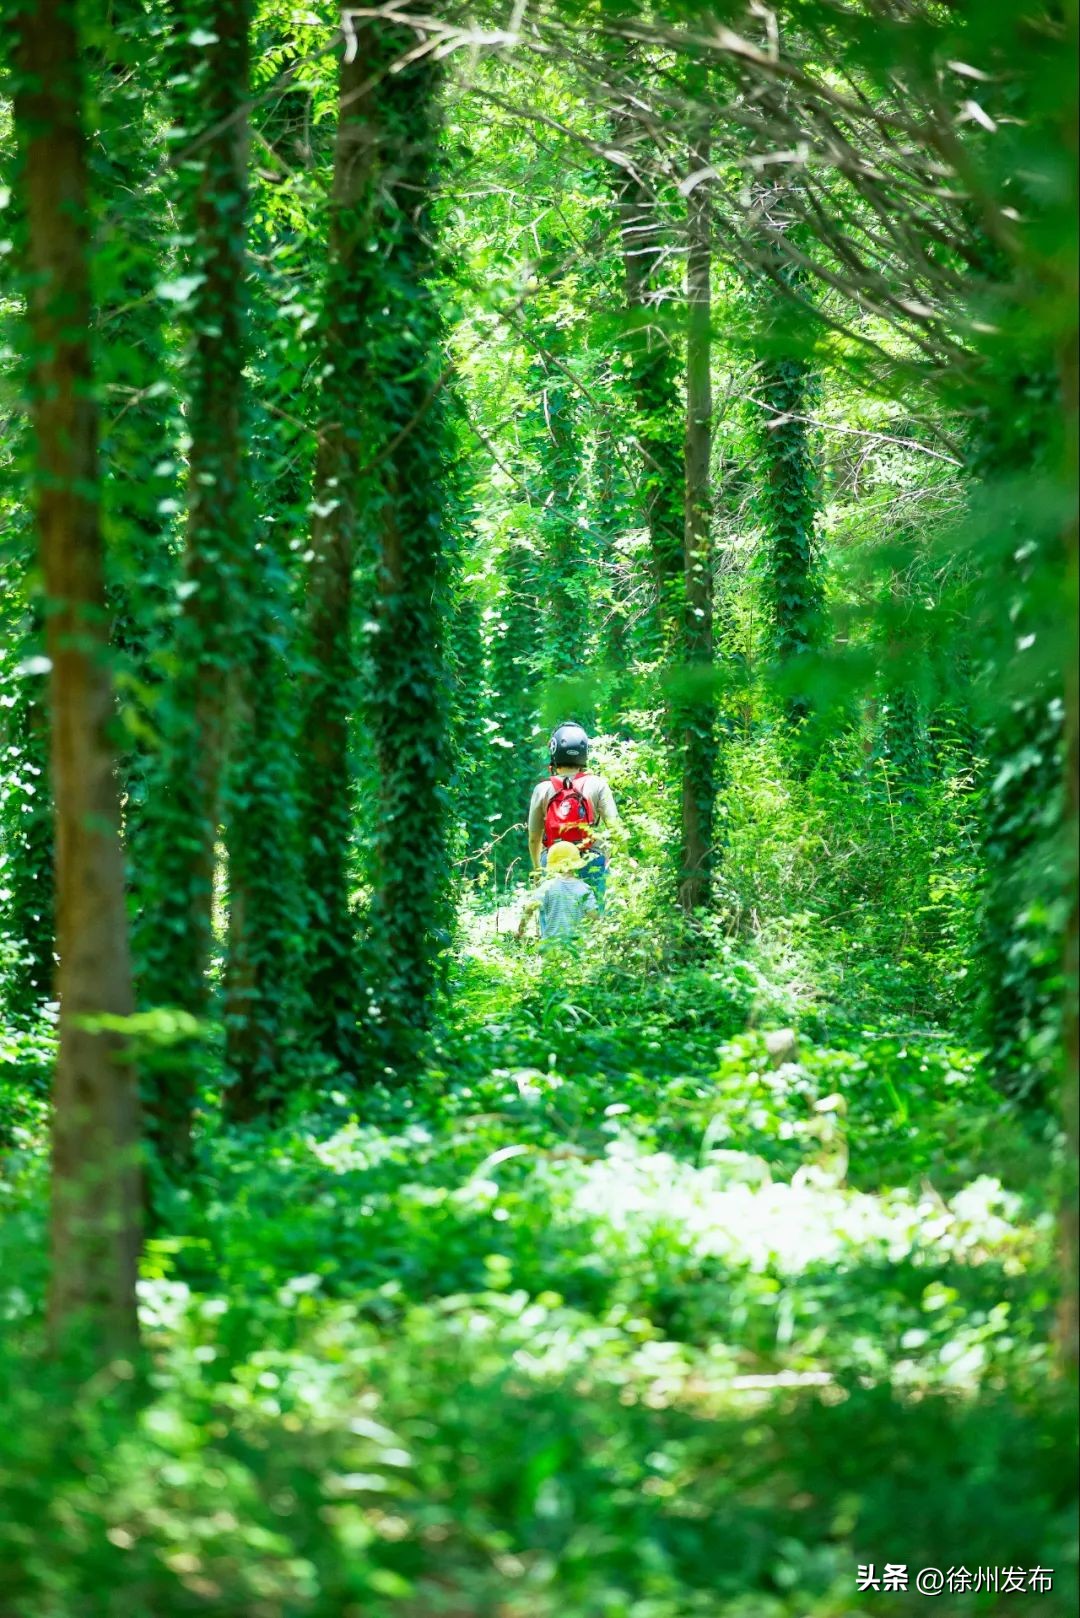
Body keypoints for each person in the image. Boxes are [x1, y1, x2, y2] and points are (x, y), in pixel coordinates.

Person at [528, 722, 620, 904]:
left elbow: (534, 837)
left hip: (554, 860)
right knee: (595, 918)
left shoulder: (542, 789)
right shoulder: (597, 784)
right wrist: (611, 861)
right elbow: (615, 827)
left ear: (554, 752)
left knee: (552, 914)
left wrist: (539, 870)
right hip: (591, 857)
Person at [516, 839, 598, 942]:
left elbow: (529, 908)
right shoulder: (584, 889)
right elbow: (594, 917)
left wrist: (520, 931)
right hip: (576, 947)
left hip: (551, 946)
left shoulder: (547, 887)